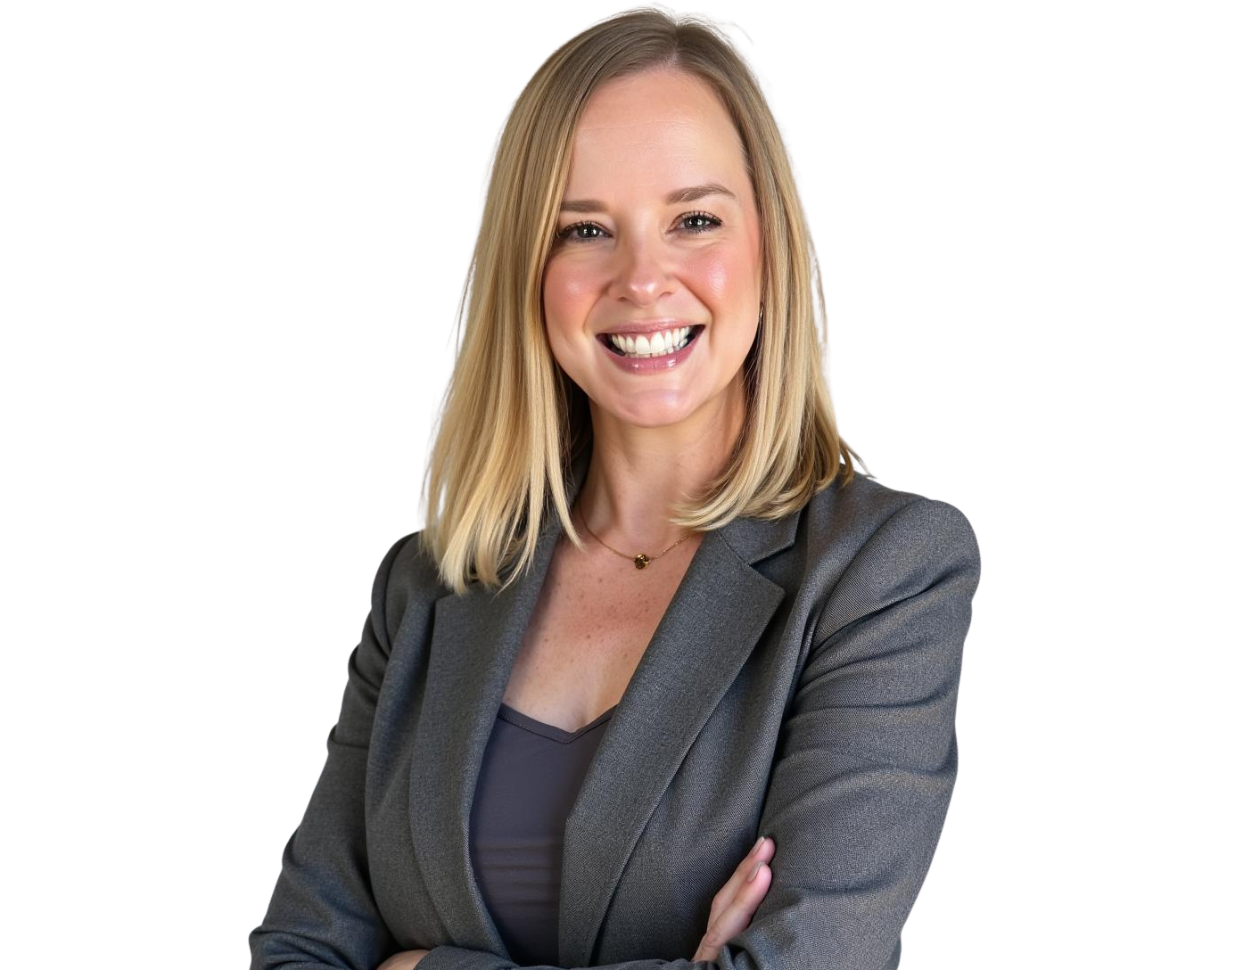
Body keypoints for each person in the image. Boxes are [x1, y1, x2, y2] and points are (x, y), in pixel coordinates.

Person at [248, 5, 980, 969]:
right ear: (528, 269)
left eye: (693, 220)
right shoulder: (427, 584)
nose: (643, 279)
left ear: (771, 245)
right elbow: (293, 951)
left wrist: (422, 966)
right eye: (586, 228)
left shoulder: (882, 573)